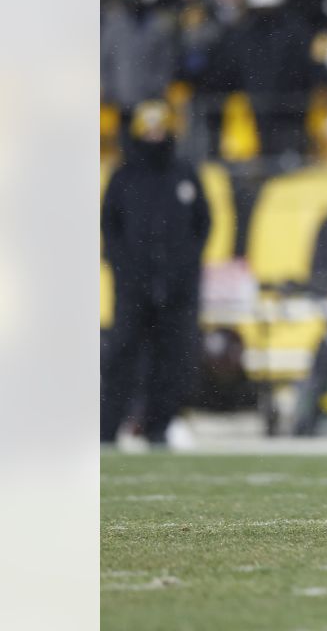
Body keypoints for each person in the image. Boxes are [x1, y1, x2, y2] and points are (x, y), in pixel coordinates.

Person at [101, 101, 211, 447]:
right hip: (133, 287)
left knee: (173, 359)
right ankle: (106, 429)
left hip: (178, 287)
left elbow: (203, 225)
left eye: (159, 127)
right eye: (147, 129)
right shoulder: (124, 176)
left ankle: (157, 427)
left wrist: (183, 268)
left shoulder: (183, 172)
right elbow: (112, 229)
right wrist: (128, 270)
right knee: (123, 356)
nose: (154, 135)